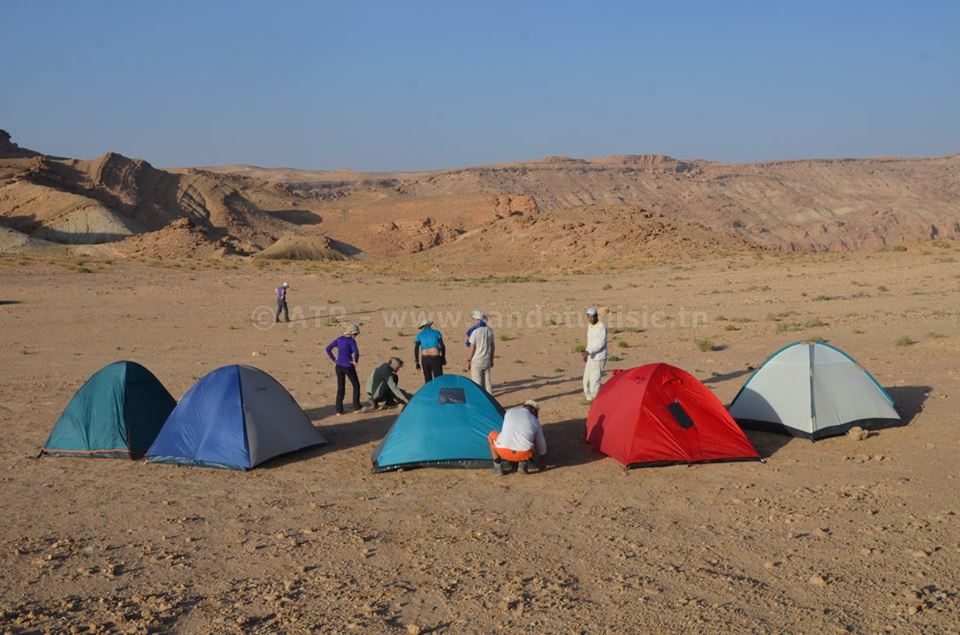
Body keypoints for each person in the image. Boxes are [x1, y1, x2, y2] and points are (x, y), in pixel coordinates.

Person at [488, 400, 547, 475]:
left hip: (503, 452)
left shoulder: (509, 412)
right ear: (533, 410)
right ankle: (522, 465)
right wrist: (543, 461)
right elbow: (541, 443)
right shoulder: (534, 420)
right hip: (524, 454)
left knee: (491, 436)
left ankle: (497, 468)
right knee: (533, 439)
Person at [325, 324, 361, 415]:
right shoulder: (352, 341)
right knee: (356, 385)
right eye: (356, 334)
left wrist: (334, 359)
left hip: (338, 366)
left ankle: (339, 410)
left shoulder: (339, 339)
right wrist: (355, 361)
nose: (356, 336)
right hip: (348, 366)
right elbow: (356, 352)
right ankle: (357, 407)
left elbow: (328, 348)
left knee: (341, 388)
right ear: (353, 333)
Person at [582, 307, 608, 402]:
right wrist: (587, 353)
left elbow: (601, 344)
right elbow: (590, 342)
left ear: (596, 316)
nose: (591, 319)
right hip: (590, 357)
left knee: (594, 384)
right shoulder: (590, 326)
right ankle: (590, 400)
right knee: (586, 382)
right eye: (589, 317)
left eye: (592, 317)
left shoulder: (601, 327)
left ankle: (597, 402)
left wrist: (589, 352)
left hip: (598, 358)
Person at [466, 310, 495, 393]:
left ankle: (479, 401)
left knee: (477, 383)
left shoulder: (475, 332)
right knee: (487, 382)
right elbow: (493, 346)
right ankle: (490, 400)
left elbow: (472, 348)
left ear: (477, 320)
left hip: (477, 359)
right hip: (486, 359)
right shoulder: (489, 330)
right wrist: (491, 358)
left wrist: (469, 360)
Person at [414, 319, 446, 383]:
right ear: (430, 325)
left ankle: (429, 392)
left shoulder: (419, 335)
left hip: (425, 359)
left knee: (427, 379)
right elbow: (442, 346)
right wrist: (443, 357)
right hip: (435, 357)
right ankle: (438, 392)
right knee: (439, 379)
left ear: (422, 327)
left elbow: (416, 348)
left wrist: (417, 362)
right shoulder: (436, 332)